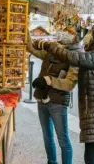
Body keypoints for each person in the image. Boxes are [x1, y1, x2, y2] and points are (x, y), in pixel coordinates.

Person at [32, 25, 94, 164]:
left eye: (90, 33)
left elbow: (70, 57)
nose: (87, 36)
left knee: (91, 158)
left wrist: (48, 45)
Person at [27, 30, 79, 164]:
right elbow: (31, 48)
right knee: (47, 136)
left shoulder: (74, 57)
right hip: (41, 99)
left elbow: (69, 84)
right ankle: (51, 161)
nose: (62, 37)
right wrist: (24, 27)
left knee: (63, 140)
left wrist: (48, 80)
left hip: (58, 102)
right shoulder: (51, 51)